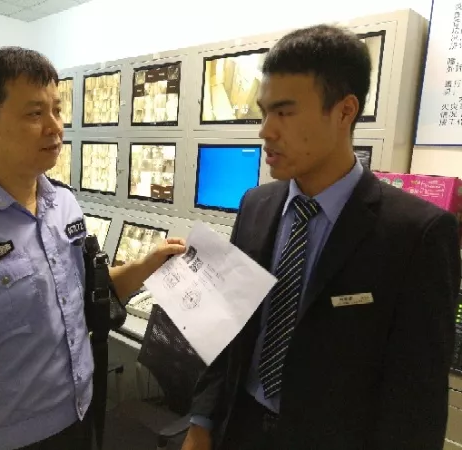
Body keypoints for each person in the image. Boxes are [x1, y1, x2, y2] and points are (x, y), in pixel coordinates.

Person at [0, 47, 185, 450]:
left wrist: (148, 264)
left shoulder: (63, 204)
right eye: (34, 114)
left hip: (80, 416)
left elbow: (84, 293)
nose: (55, 127)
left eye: (57, 110)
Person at [182, 24, 460, 450]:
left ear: (345, 111)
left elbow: (415, 396)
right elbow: (230, 328)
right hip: (239, 429)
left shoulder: (415, 234)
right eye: (265, 112)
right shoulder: (256, 205)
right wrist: (201, 421)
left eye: (285, 112)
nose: (266, 131)